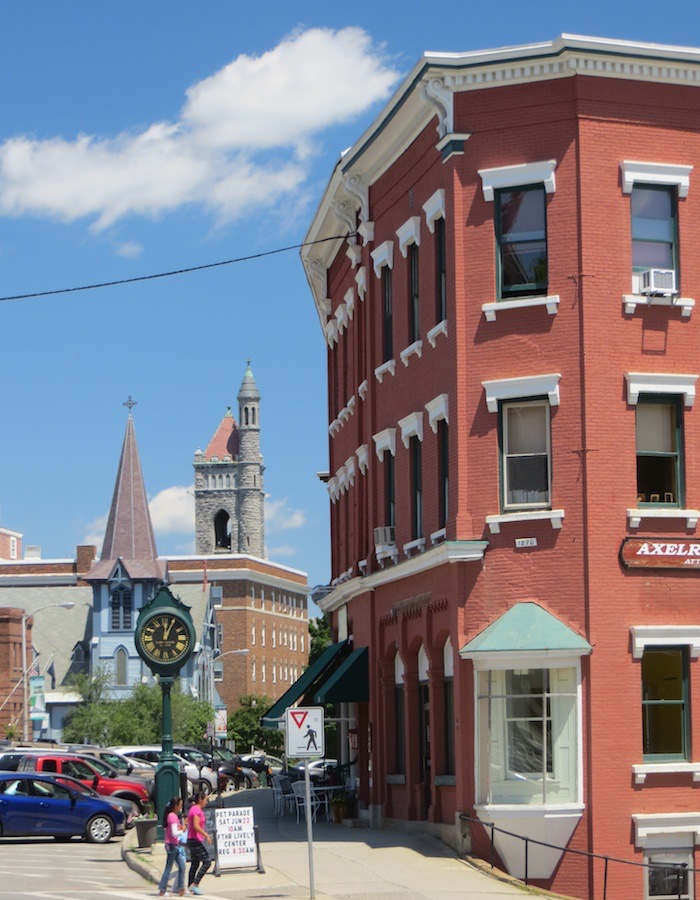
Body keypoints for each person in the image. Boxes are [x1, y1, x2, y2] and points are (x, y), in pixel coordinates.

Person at [158, 796, 186, 897]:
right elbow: (174, 833)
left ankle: (181, 888)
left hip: (175, 845)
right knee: (168, 867)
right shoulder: (173, 817)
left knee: (182, 866)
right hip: (172, 846)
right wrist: (182, 830)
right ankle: (162, 889)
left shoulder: (172, 816)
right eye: (180, 805)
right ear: (175, 806)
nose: (181, 807)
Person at [186, 790, 213, 896]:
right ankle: (195, 884)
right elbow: (196, 826)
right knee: (207, 861)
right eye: (205, 800)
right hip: (194, 840)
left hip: (192, 839)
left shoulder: (193, 809)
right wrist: (206, 835)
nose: (206, 802)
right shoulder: (196, 810)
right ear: (200, 800)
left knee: (195, 863)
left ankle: (190, 886)